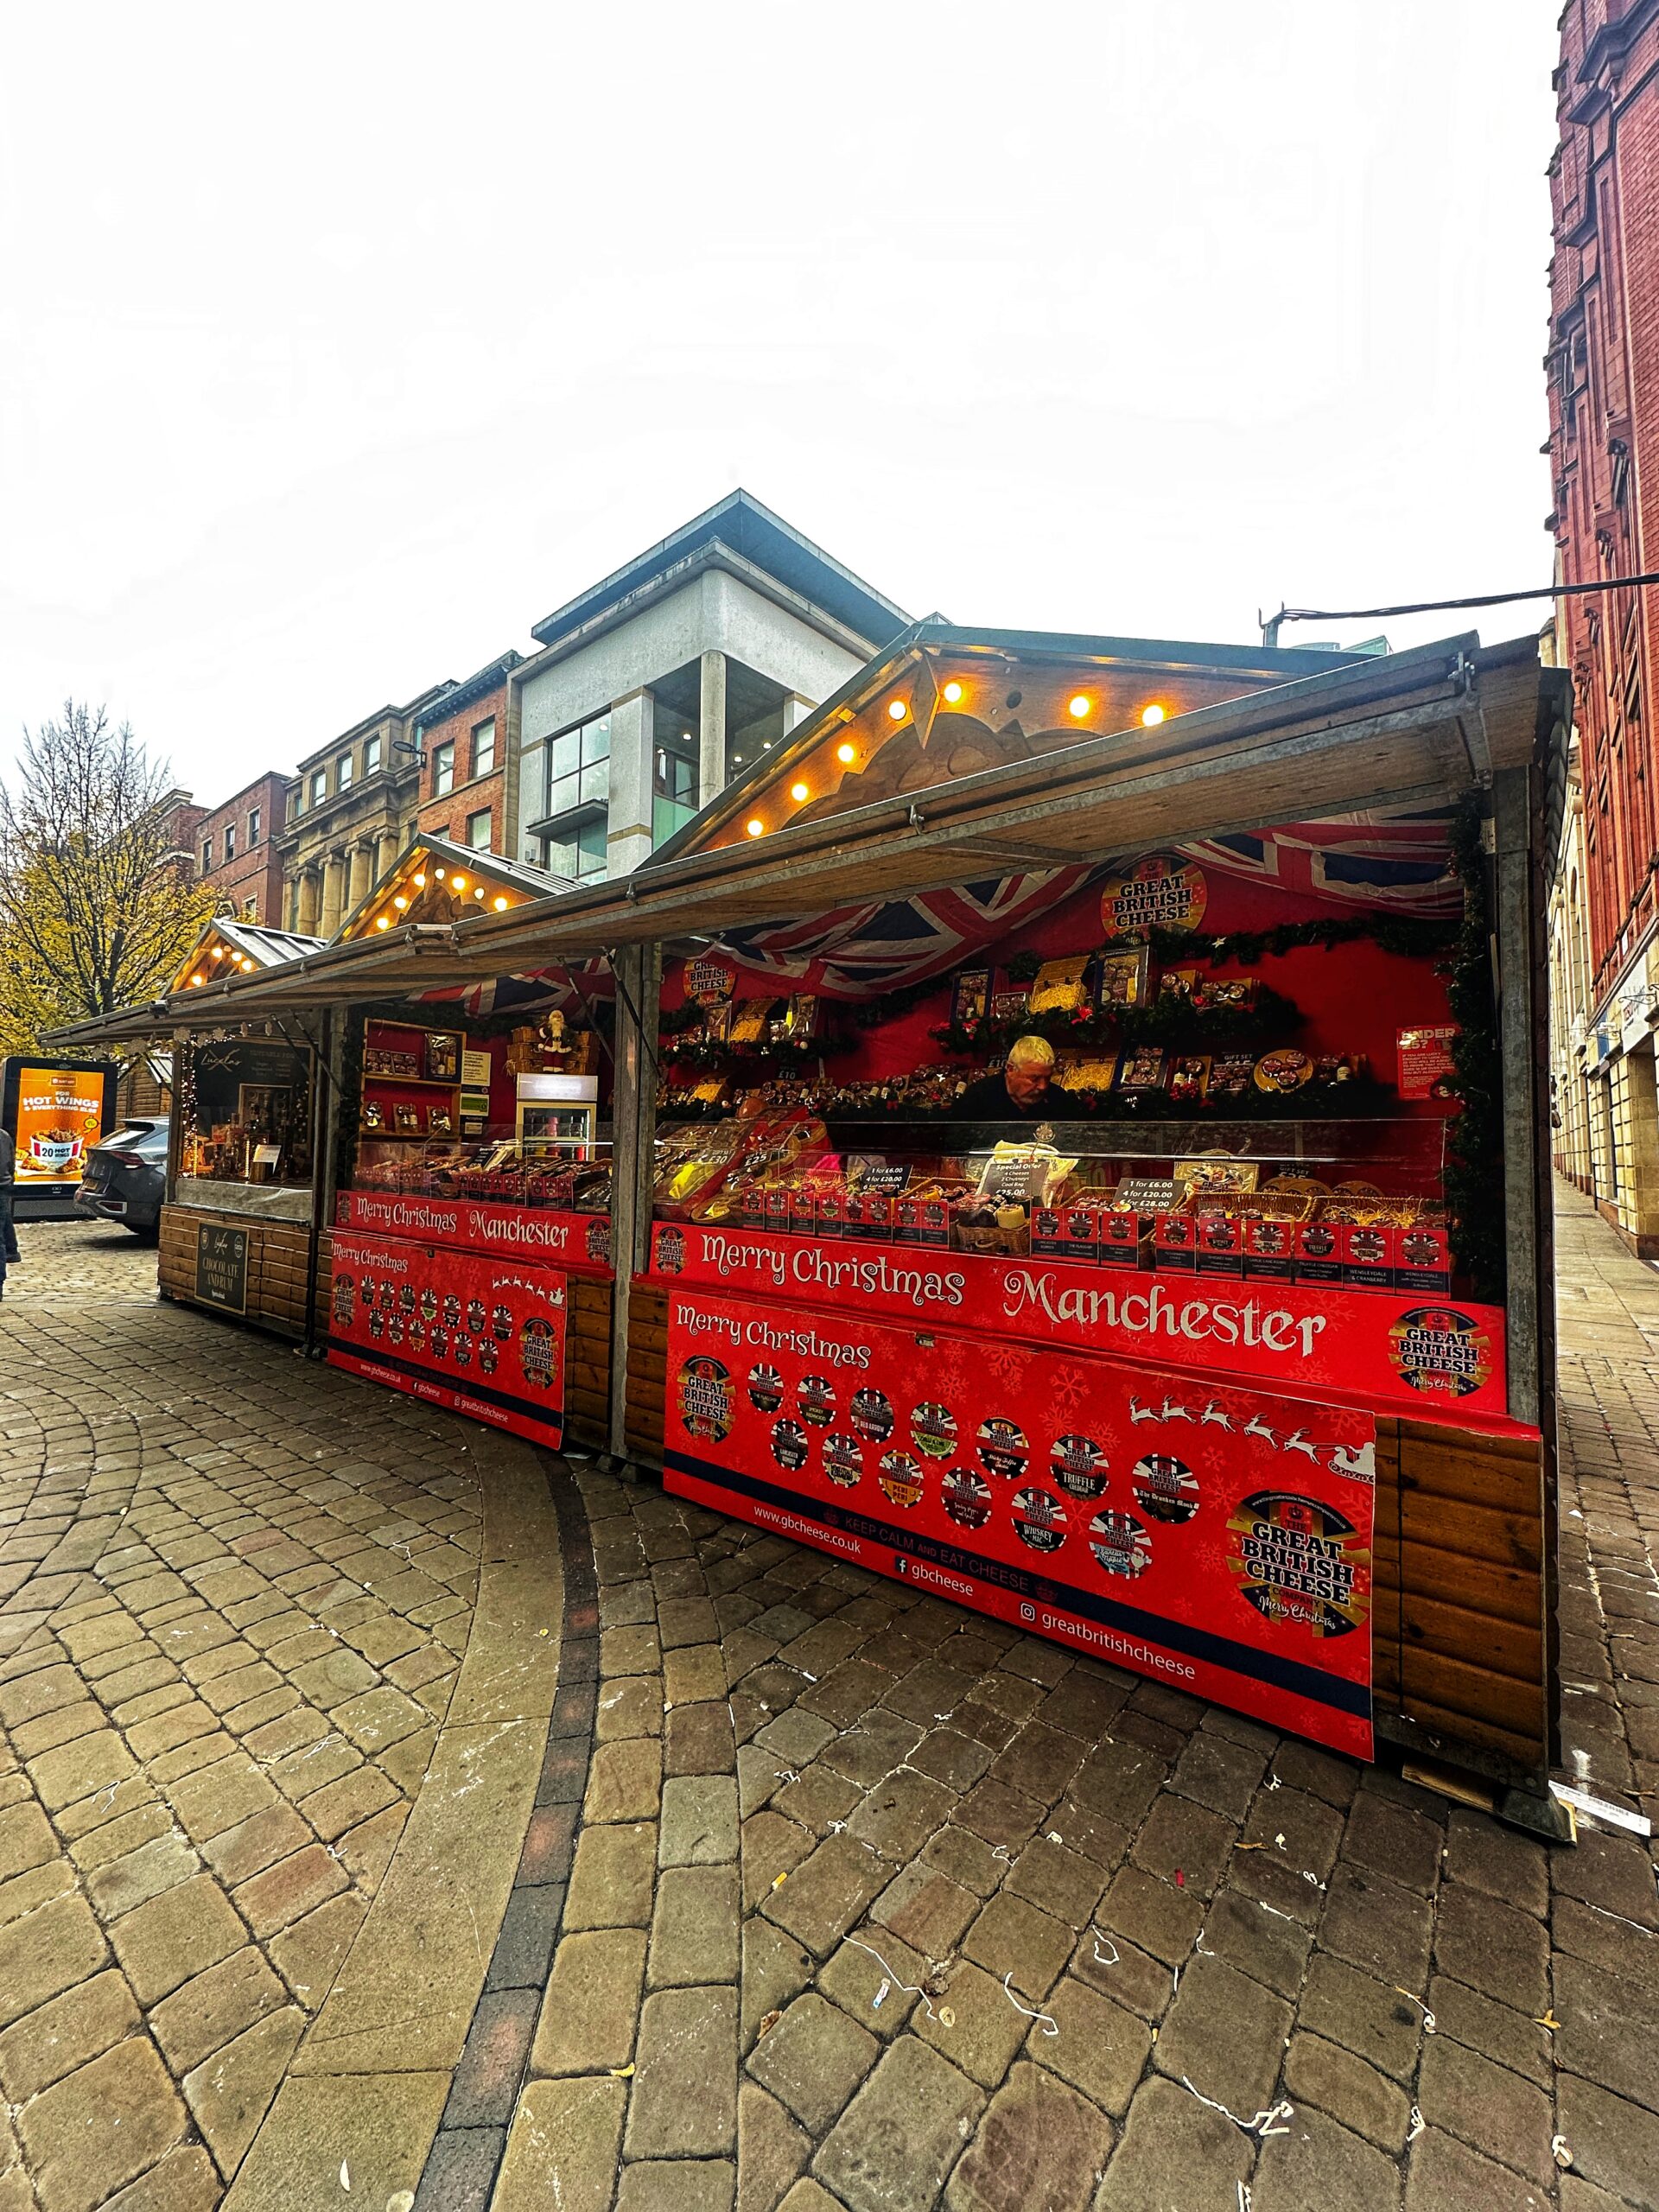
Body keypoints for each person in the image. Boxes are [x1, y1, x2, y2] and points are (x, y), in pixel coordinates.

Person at [955, 1034, 1058, 1120]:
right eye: (1034, 1078)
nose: (1043, 1086)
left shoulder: (1058, 1099)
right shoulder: (978, 1097)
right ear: (1011, 1069)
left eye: (1047, 1078)